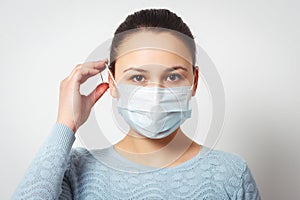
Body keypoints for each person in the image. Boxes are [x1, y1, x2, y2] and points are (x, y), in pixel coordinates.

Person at [13, 8, 261, 199]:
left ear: (194, 82)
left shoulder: (231, 174)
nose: (155, 93)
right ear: (112, 82)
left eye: (173, 76)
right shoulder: (75, 170)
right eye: (138, 77)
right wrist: (66, 124)